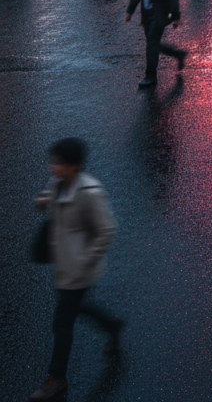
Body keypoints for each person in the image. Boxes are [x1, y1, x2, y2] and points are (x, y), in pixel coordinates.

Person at [29, 138, 121, 402]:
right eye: (53, 161)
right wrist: (45, 201)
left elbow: (106, 230)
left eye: (59, 163)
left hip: (79, 270)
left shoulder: (90, 193)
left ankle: (57, 378)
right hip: (64, 266)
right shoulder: (58, 185)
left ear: (75, 166)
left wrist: (86, 260)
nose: (53, 168)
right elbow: (57, 205)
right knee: (77, 308)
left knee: (62, 322)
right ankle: (113, 326)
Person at [125, 0, 186, 89]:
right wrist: (130, 10)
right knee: (153, 44)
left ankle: (150, 76)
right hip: (146, 14)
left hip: (159, 16)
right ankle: (177, 54)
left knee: (151, 45)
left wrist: (176, 17)